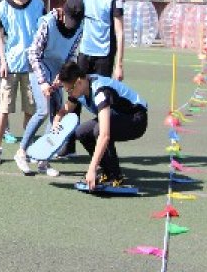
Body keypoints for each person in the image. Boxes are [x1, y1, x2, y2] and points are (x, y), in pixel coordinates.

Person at [60, 0, 125, 157]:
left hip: (104, 56)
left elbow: (119, 32)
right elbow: (76, 17)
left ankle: (103, 148)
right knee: (74, 96)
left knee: (101, 102)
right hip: (84, 53)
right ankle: (69, 143)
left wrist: (119, 65)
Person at [12, 0, 84, 175]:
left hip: (58, 69)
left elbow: (71, 55)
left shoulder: (79, 28)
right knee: (43, 110)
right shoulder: (48, 23)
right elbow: (33, 54)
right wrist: (43, 82)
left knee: (56, 115)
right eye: (71, 20)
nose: (73, 25)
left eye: (76, 21)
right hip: (40, 66)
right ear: (63, 13)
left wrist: (62, 76)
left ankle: (43, 160)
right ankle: (21, 152)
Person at [54, 61, 148, 190]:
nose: (69, 94)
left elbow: (104, 135)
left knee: (99, 130)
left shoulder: (101, 91)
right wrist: (57, 120)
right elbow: (65, 109)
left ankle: (116, 177)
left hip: (136, 120)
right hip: (117, 118)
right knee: (81, 132)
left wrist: (92, 169)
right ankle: (108, 172)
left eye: (69, 90)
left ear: (79, 82)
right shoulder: (81, 87)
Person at [0, 0, 44, 165]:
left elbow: (43, 32)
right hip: (11, 66)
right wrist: (3, 61)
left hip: (32, 67)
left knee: (30, 110)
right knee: (3, 109)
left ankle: (26, 148)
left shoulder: (38, 4)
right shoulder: (2, 7)